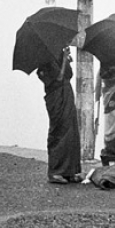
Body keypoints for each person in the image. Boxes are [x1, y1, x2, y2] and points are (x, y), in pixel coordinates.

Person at [36, 48, 81, 184]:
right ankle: (56, 171)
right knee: (60, 131)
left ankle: (70, 171)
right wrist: (63, 60)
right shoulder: (46, 60)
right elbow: (58, 78)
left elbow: (68, 75)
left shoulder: (60, 54)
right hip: (56, 96)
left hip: (66, 93)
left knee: (72, 132)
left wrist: (66, 61)